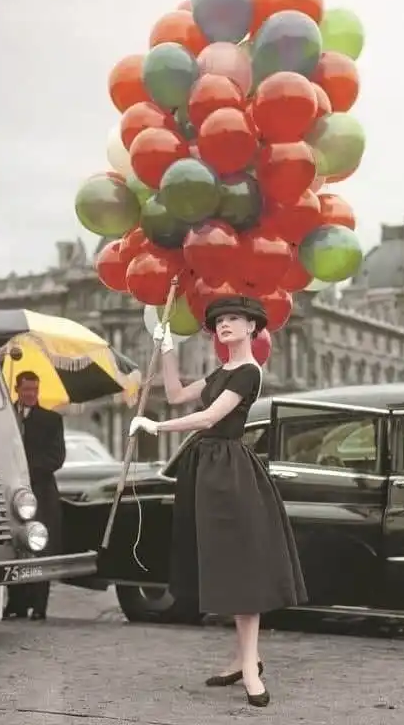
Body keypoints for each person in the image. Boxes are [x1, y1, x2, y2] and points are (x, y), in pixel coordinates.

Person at [129, 296, 307, 708]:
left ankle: (250, 668)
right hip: (205, 470)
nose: (224, 325)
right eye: (220, 321)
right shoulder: (220, 372)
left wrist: (155, 426)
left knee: (242, 566)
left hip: (231, 472)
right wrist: (167, 347)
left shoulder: (249, 372)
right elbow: (175, 394)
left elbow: (210, 418)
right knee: (223, 565)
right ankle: (243, 660)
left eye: (233, 319)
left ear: (252, 327)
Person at [0, 370, 66, 621]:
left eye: (35, 389)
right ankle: (16, 604)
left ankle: (39, 605)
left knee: (39, 546)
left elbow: (56, 457)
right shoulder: (4, 418)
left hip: (41, 493)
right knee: (13, 545)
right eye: (26, 390)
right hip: (10, 493)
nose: (31, 394)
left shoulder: (51, 420)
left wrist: (25, 470)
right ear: (17, 389)